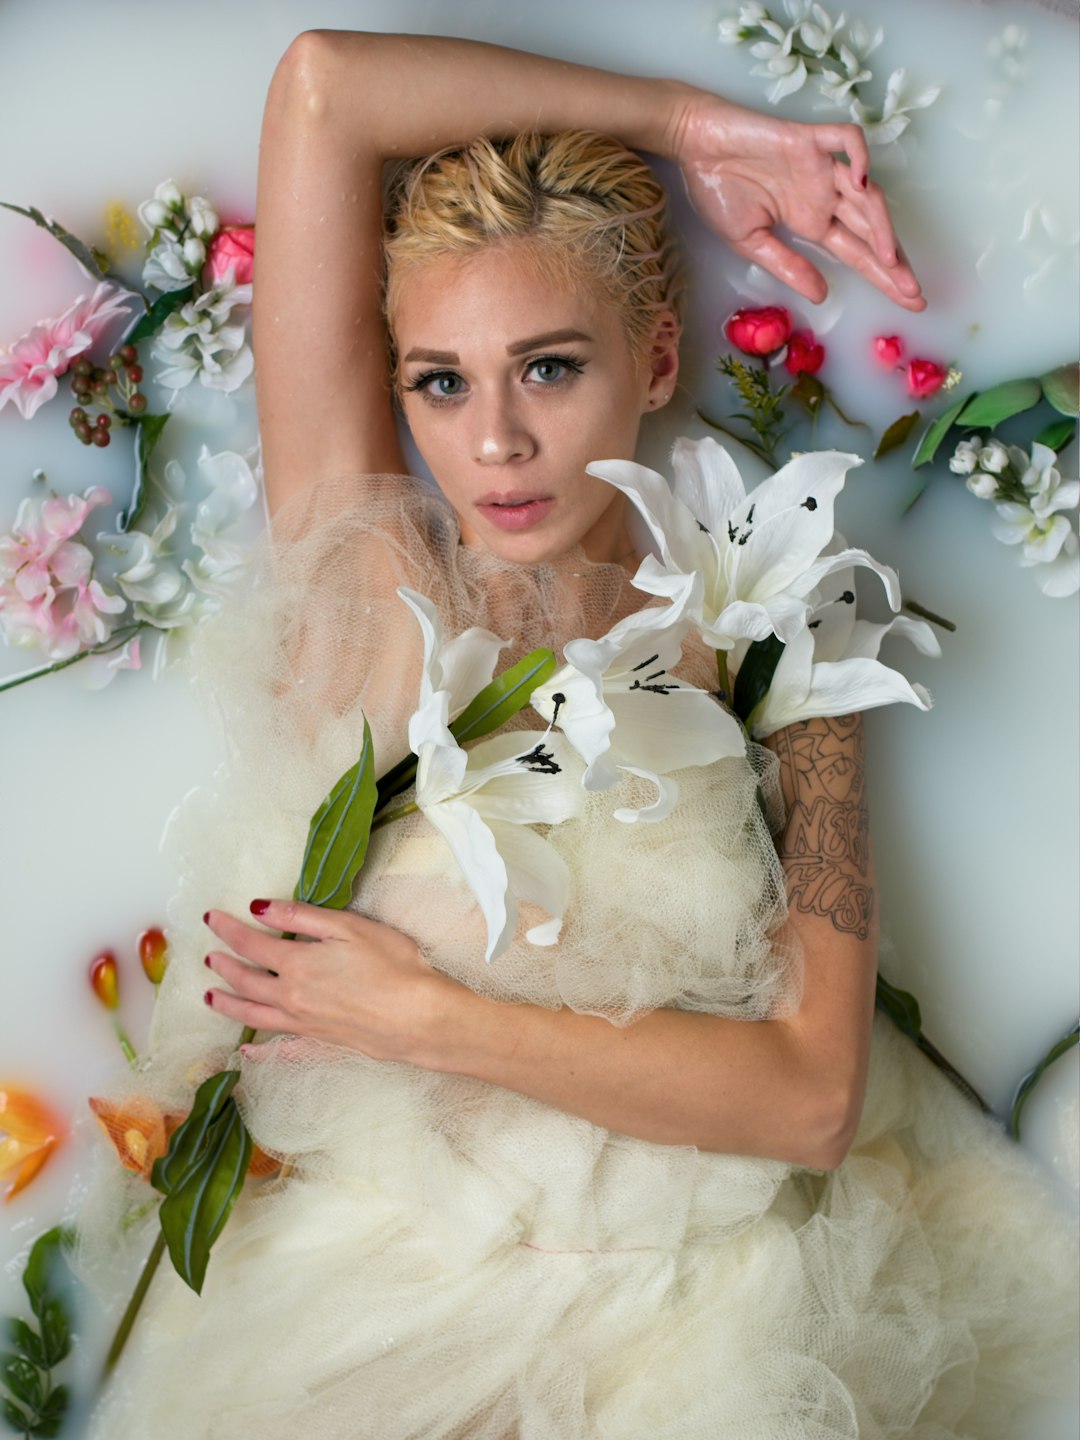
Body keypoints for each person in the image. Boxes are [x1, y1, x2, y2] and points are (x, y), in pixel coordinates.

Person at [83, 30, 1077, 1439]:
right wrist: (695, 125)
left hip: (703, 1329)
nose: (493, 443)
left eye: (547, 369)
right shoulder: (367, 575)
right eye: (440, 380)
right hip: (365, 1322)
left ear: (658, 354)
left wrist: (426, 1020)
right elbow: (323, 86)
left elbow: (808, 1103)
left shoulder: (776, 628)